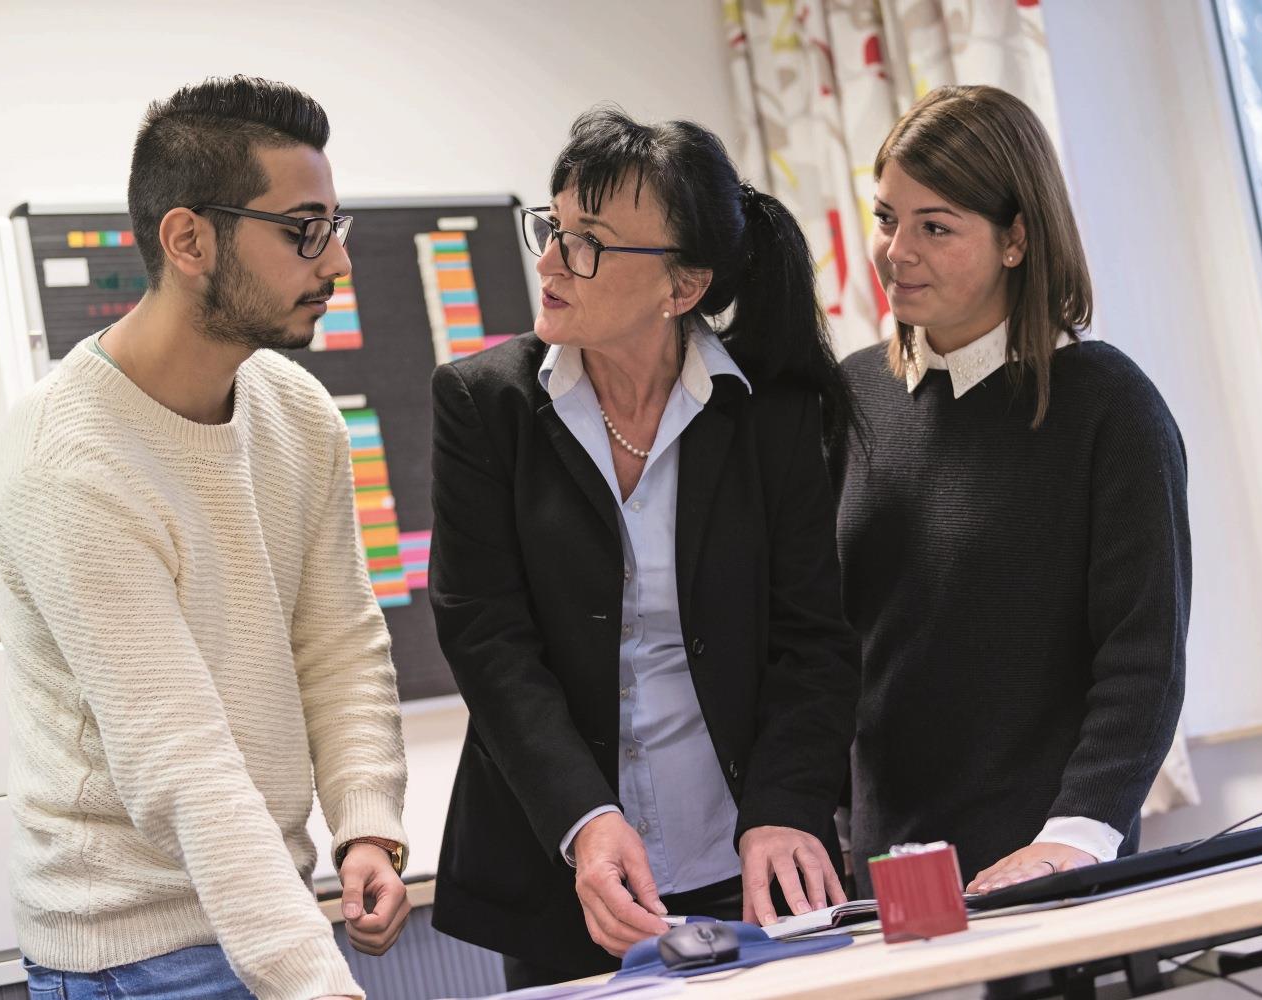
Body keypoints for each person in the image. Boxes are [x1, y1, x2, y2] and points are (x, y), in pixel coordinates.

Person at [0, 75, 409, 1000]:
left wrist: (366, 824)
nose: (335, 264)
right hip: (135, 955)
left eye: (337, 226)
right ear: (188, 240)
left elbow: (337, 645)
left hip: (270, 902)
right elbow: (182, 763)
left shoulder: (298, 414)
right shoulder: (69, 461)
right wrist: (316, 981)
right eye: (304, 231)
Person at [427, 106, 861, 986]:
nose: (549, 262)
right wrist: (585, 819)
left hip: (752, 862)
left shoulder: (771, 413)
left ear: (683, 285)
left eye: (588, 241)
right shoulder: (485, 404)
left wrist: (785, 806)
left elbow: (813, 638)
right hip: (572, 869)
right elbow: (486, 637)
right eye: (551, 228)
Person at [835, 85, 1191, 896]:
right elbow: (824, 649)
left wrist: (1076, 837)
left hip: (1050, 862)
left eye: (936, 227)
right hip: (884, 872)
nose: (897, 252)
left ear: (1016, 239)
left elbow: (1144, 657)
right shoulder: (849, 399)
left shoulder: (1108, 405)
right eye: (888, 218)